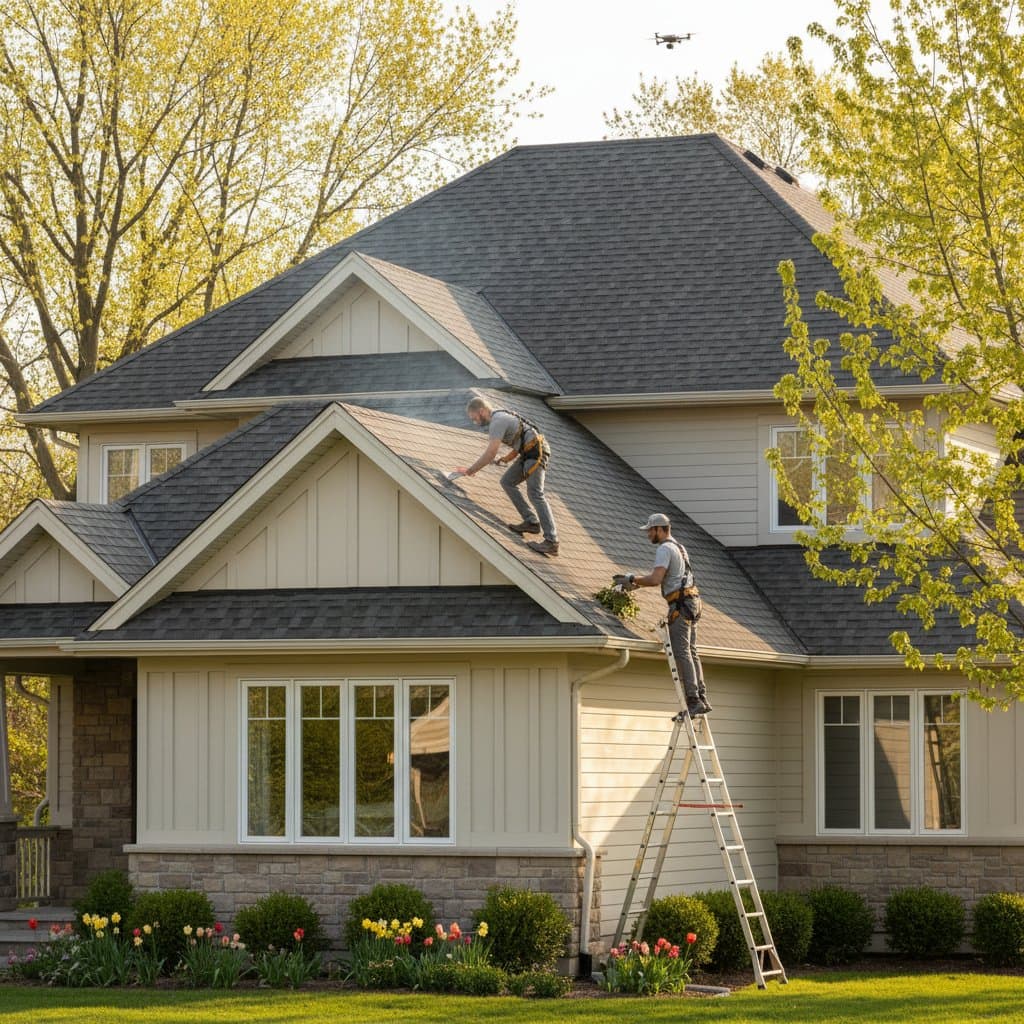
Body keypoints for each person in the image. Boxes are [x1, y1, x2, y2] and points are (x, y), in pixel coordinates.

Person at [617, 513, 711, 716]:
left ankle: (693, 700)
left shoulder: (664, 549)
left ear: (660, 529)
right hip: (692, 601)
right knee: (691, 651)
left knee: (681, 652)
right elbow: (671, 578)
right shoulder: (679, 547)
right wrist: (635, 585)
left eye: (650, 530)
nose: (648, 534)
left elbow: (655, 579)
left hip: (681, 604)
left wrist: (631, 578)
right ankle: (701, 697)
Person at [455, 397, 560, 556]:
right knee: (507, 482)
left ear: (481, 411)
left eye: (474, 417)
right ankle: (531, 522)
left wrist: (470, 470)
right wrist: (507, 458)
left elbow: (490, 453)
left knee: (535, 493)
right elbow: (522, 437)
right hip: (528, 451)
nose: (474, 422)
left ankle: (552, 541)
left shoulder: (497, 422)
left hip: (536, 452)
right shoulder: (500, 416)